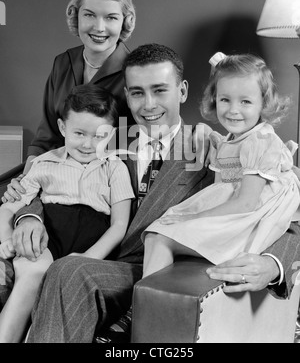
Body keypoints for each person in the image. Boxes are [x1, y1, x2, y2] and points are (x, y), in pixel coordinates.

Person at [4, 44, 300, 343]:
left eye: (160, 90)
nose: (148, 105)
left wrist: (272, 264)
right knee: (63, 270)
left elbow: (282, 206)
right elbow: (49, 172)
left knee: (68, 270)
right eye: (136, 92)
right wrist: (29, 216)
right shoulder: (100, 139)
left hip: (162, 271)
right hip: (92, 255)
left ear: (182, 91)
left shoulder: (216, 147)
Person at [141, 52, 300, 280]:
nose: (233, 110)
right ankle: (146, 302)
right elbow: (217, 190)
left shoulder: (260, 141)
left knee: (160, 236)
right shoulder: (228, 141)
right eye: (225, 100)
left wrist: (196, 218)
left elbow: (246, 202)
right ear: (215, 100)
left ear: (263, 103)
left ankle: (139, 309)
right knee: (157, 233)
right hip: (231, 212)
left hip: (247, 221)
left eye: (245, 101)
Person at [0, 85, 134, 343]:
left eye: (99, 136)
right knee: (33, 273)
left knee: (62, 288)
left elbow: (119, 225)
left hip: (89, 248)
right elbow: (8, 206)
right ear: (62, 128)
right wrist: (7, 239)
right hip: (47, 243)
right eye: (79, 133)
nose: (88, 144)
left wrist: (88, 257)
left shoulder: (114, 167)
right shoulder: (44, 163)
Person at [1, 0, 136, 203]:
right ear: (76, 16)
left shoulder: (135, 72)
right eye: (90, 15)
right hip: (51, 167)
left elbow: (136, 150)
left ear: (125, 20)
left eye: (111, 17)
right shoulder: (62, 63)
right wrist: (26, 185)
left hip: (102, 186)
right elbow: (46, 137)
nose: (99, 27)